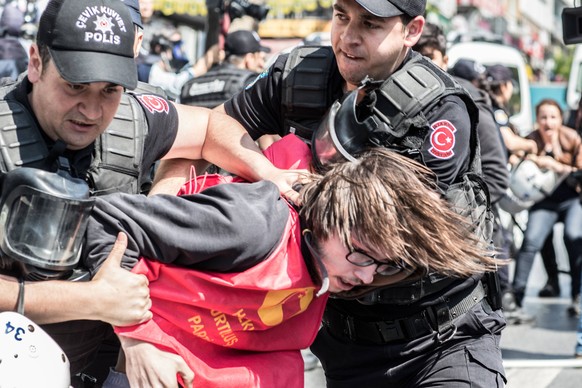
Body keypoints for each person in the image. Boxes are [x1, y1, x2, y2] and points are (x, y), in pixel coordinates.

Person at [153, 0, 508, 386]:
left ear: (412, 31)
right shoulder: (299, 74)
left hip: (442, 340)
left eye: (370, 24)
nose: (348, 37)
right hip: (343, 346)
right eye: (342, 16)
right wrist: (263, 176)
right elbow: (211, 130)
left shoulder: (439, 110)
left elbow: (385, 243)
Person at [0, 0, 300, 384]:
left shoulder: (133, 116)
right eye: (75, 85)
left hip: (104, 360)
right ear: (36, 63)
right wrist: (91, 300)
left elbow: (211, 128)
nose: (91, 110)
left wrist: (267, 173)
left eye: (109, 89)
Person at [80, 129, 501, 387]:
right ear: (330, 219)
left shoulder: (331, 265)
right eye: (361, 254)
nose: (367, 275)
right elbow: (105, 220)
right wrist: (137, 340)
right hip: (150, 365)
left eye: (384, 266)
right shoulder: (251, 224)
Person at [412, 23, 515, 323]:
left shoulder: (462, 98)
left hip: (458, 265)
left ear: (445, 58)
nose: (423, 63)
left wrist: (447, 215)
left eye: (430, 55)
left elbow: (495, 176)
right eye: (417, 54)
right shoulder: (391, 96)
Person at [507, 98, 582, 318]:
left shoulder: (573, 139)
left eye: (552, 117)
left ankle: (577, 296)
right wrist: (519, 157)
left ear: (560, 119)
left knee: (574, 236)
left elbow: (579, 172)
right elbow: (516, 155)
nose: (548, 123)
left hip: (571, 199)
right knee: (531, 241)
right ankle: (516, 297)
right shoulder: (532, 139)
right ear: (537, 120)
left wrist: (556, 165)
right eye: (543, 117)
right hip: (544, 202)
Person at [179, 29, 270, 108]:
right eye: (260, 59)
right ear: (249, 58)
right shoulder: (251, 83)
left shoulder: (189, 85)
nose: (262, 64)